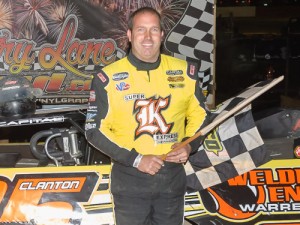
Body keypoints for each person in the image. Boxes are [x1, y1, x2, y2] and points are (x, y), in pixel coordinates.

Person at [85, 6, 207, 225]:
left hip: (172, 180)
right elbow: (94, 131)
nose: (148, 37)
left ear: (162, 34)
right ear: (130, 35)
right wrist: (136, 159)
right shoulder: (108, 78)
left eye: (154, 30)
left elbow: (201, 115)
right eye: (141, 30)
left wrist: (189, 145)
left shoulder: (186, 72)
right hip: (129, 181)